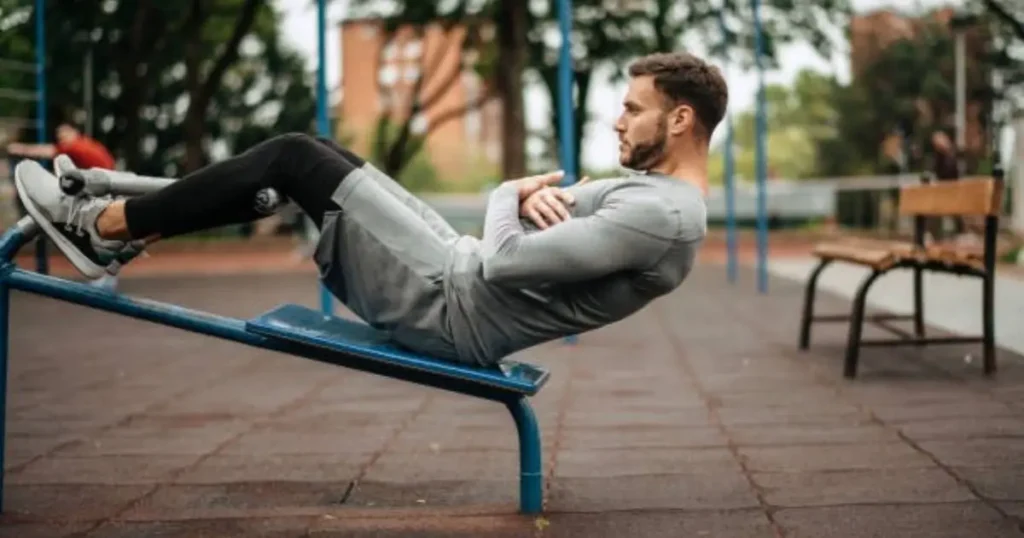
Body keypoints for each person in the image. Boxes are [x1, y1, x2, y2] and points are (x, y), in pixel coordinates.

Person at [13, 51, 724, 367]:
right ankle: (133, 212)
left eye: (632, 110)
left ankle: (100, 228)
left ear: (682, 120)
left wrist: (507, 192)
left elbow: (508, 260)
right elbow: (550, 210)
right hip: (452, 274)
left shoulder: (660, 217)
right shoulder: (647, 194)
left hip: (450, 307)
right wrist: (530, 199)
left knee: (295, 158)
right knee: (319, 159)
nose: (616, 122)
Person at [7, 122, 121, 289]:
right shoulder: (88, 144)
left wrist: (19, 148)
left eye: (64, 134)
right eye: (59, 136)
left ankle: (106, 276)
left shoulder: (75, 146)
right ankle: (107, 275)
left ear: (74, 132)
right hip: (108, 187)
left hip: (104, 191)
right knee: (105, 233)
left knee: (102, 234)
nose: (62, 138)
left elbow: (47, 151)